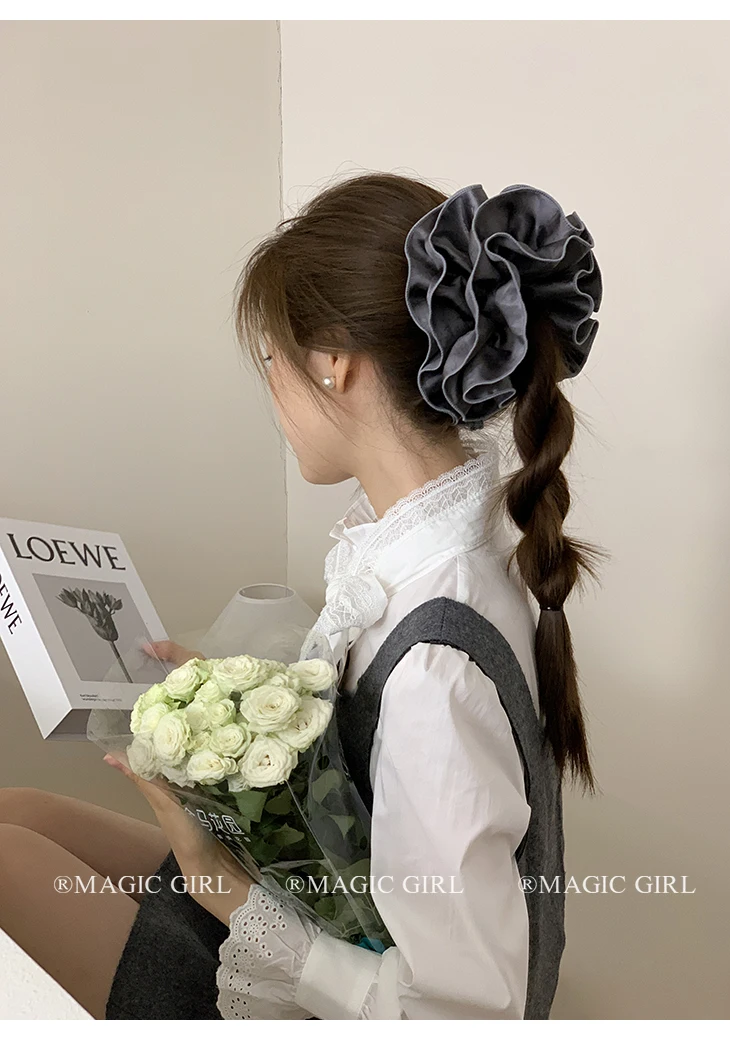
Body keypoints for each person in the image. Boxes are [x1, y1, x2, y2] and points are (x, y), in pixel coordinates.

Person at [0, 172, 606, 1020]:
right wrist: (232, 705)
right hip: (323, 907)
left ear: (332, 364)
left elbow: (459, 1015)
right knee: (16, 815)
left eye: (269, 359)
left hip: (336, 981)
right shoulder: (437, 554)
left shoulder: (436, 661)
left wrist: (217, 883)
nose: (271, 388)